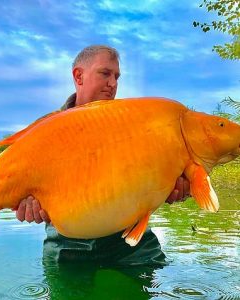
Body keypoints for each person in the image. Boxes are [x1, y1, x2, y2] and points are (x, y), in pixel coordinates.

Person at [15, 45, 190, 264]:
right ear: (79, 76)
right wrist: (27, 206)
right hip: (67, 247)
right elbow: (23, 192)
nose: (113, 84)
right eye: (105, 73)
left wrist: (179, 187)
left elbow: (162, 178)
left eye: (117, 76)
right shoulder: (44, 133)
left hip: (132, 246)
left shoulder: (135, 125)